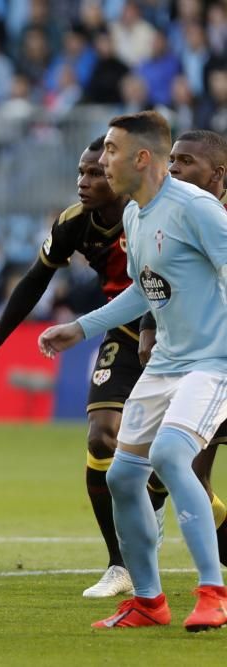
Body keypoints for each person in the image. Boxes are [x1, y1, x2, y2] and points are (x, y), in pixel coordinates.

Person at [40, 111, 227, 631]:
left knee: (172, 455)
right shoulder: (135, 214)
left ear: (142, 158)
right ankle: (149, 601)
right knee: (123, 476)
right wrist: (79, 328)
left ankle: (213, 592)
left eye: (112, 152)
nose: (102, 161)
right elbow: (146, 290)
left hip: (214, 362)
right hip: (167, 361)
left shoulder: (198, 209)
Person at [0, 135, 155, 598]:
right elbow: (33, 280)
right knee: (102, 435)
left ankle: (165, 518)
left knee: (176, 463)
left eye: (96, 173)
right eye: (81, 173)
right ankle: (120, 564)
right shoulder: (73, 223)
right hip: (122, 333)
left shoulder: (147, 213)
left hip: (178, 331)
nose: (84, 182)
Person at [137, 129, 227, 567]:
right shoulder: (174, 215)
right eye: (171, 160)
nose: (173, 168)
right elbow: (160, 280)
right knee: (186, 471)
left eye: (186, 161)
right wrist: (148, 326)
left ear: (218, 174)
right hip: (203, 365)